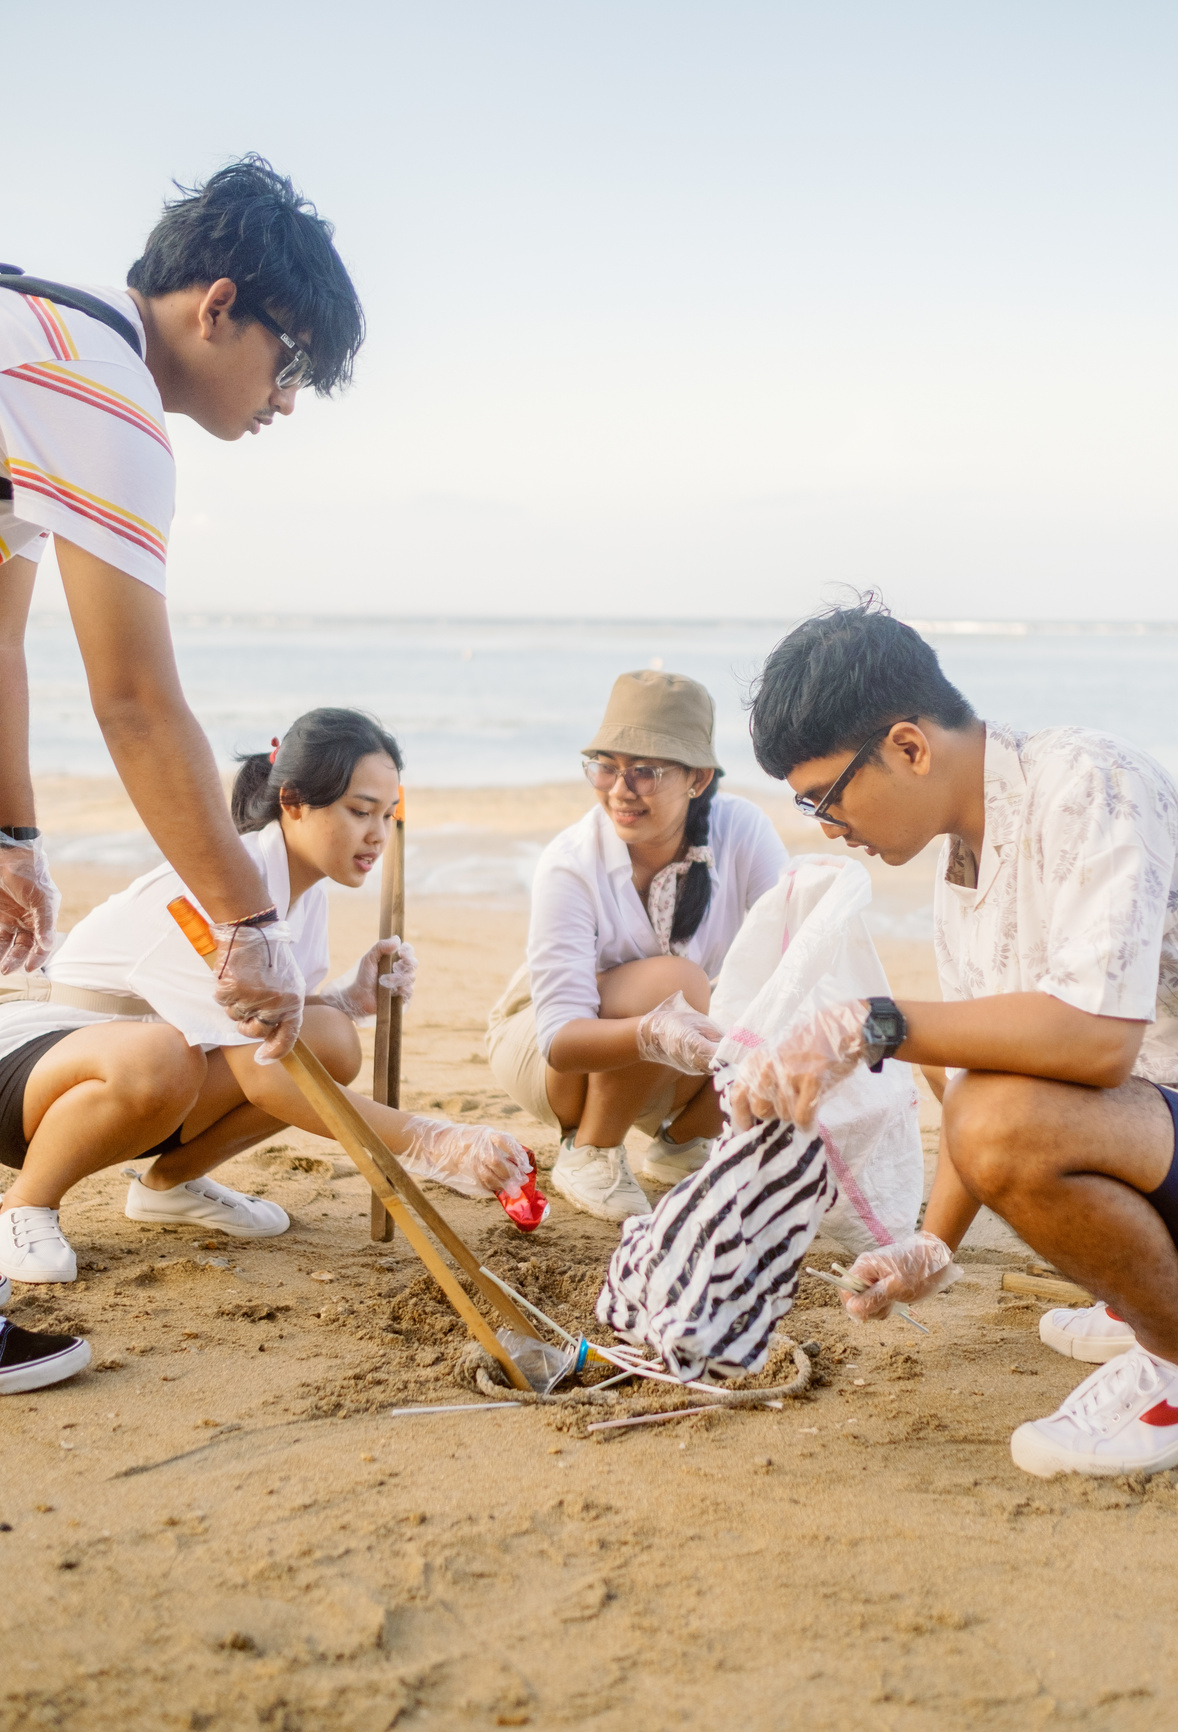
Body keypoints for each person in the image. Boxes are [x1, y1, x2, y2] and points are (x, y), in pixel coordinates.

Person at [739, 599, 1178, 1479]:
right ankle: (1151, 1292)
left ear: (908, 745)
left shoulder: (1087, 781)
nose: (827, 827)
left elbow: (1096, 1045)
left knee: (975, 1092)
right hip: (1177, 1151)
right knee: (964, 1073)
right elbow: (983, 1068)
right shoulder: (963, 863)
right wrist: (934, 1245)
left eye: (827, 797)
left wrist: (871, 1022)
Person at [0, 709, 530, 1345]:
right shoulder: (224, 882)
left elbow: (286, 1033)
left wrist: (349, 998)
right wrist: (429, 1141)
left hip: (139, 1088)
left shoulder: (304, 893)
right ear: (294, 803)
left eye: (388, 815)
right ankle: (25, 1204)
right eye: (360, 811)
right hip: (33, 1072)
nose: (377, 835)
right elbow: (269, 1066)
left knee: (329, 1037)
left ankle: (169, 1185)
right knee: (163, 1054)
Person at [0, 156, 365, 1061]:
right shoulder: (107, 400)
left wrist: (14, 840)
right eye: (292, 362)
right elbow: (135, 703)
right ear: (218, 305)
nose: (286, 399)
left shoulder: (49, 342)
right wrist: (248, 922)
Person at [488, 669, 788, 1222]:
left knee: (784, 1000)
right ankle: (591, 1151)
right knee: (676, 983)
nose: (620, 790)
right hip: (549, 1052)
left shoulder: (741, 830)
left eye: (644, 772)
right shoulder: (570, 862)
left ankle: (682, 1145)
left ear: (697, 778)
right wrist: (654, 1031)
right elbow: (559, 1038)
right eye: (606, 767)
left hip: (662, 1068)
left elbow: (794, 950)